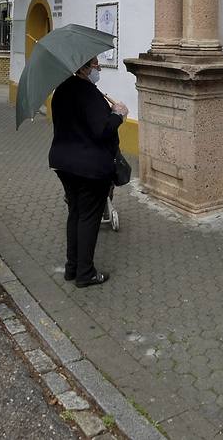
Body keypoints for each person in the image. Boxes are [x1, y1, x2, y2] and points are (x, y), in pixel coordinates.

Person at [48, 56, 127, 287]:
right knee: (89, 218)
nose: (98, 68)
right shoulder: (88, 92)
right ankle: (85, 273)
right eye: (94, 65)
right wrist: (118, 115)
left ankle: (72, 268)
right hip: (89, 167)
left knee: (75, 213)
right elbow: (101, 130)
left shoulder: (61, 90)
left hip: (63, 163)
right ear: (82, 68)